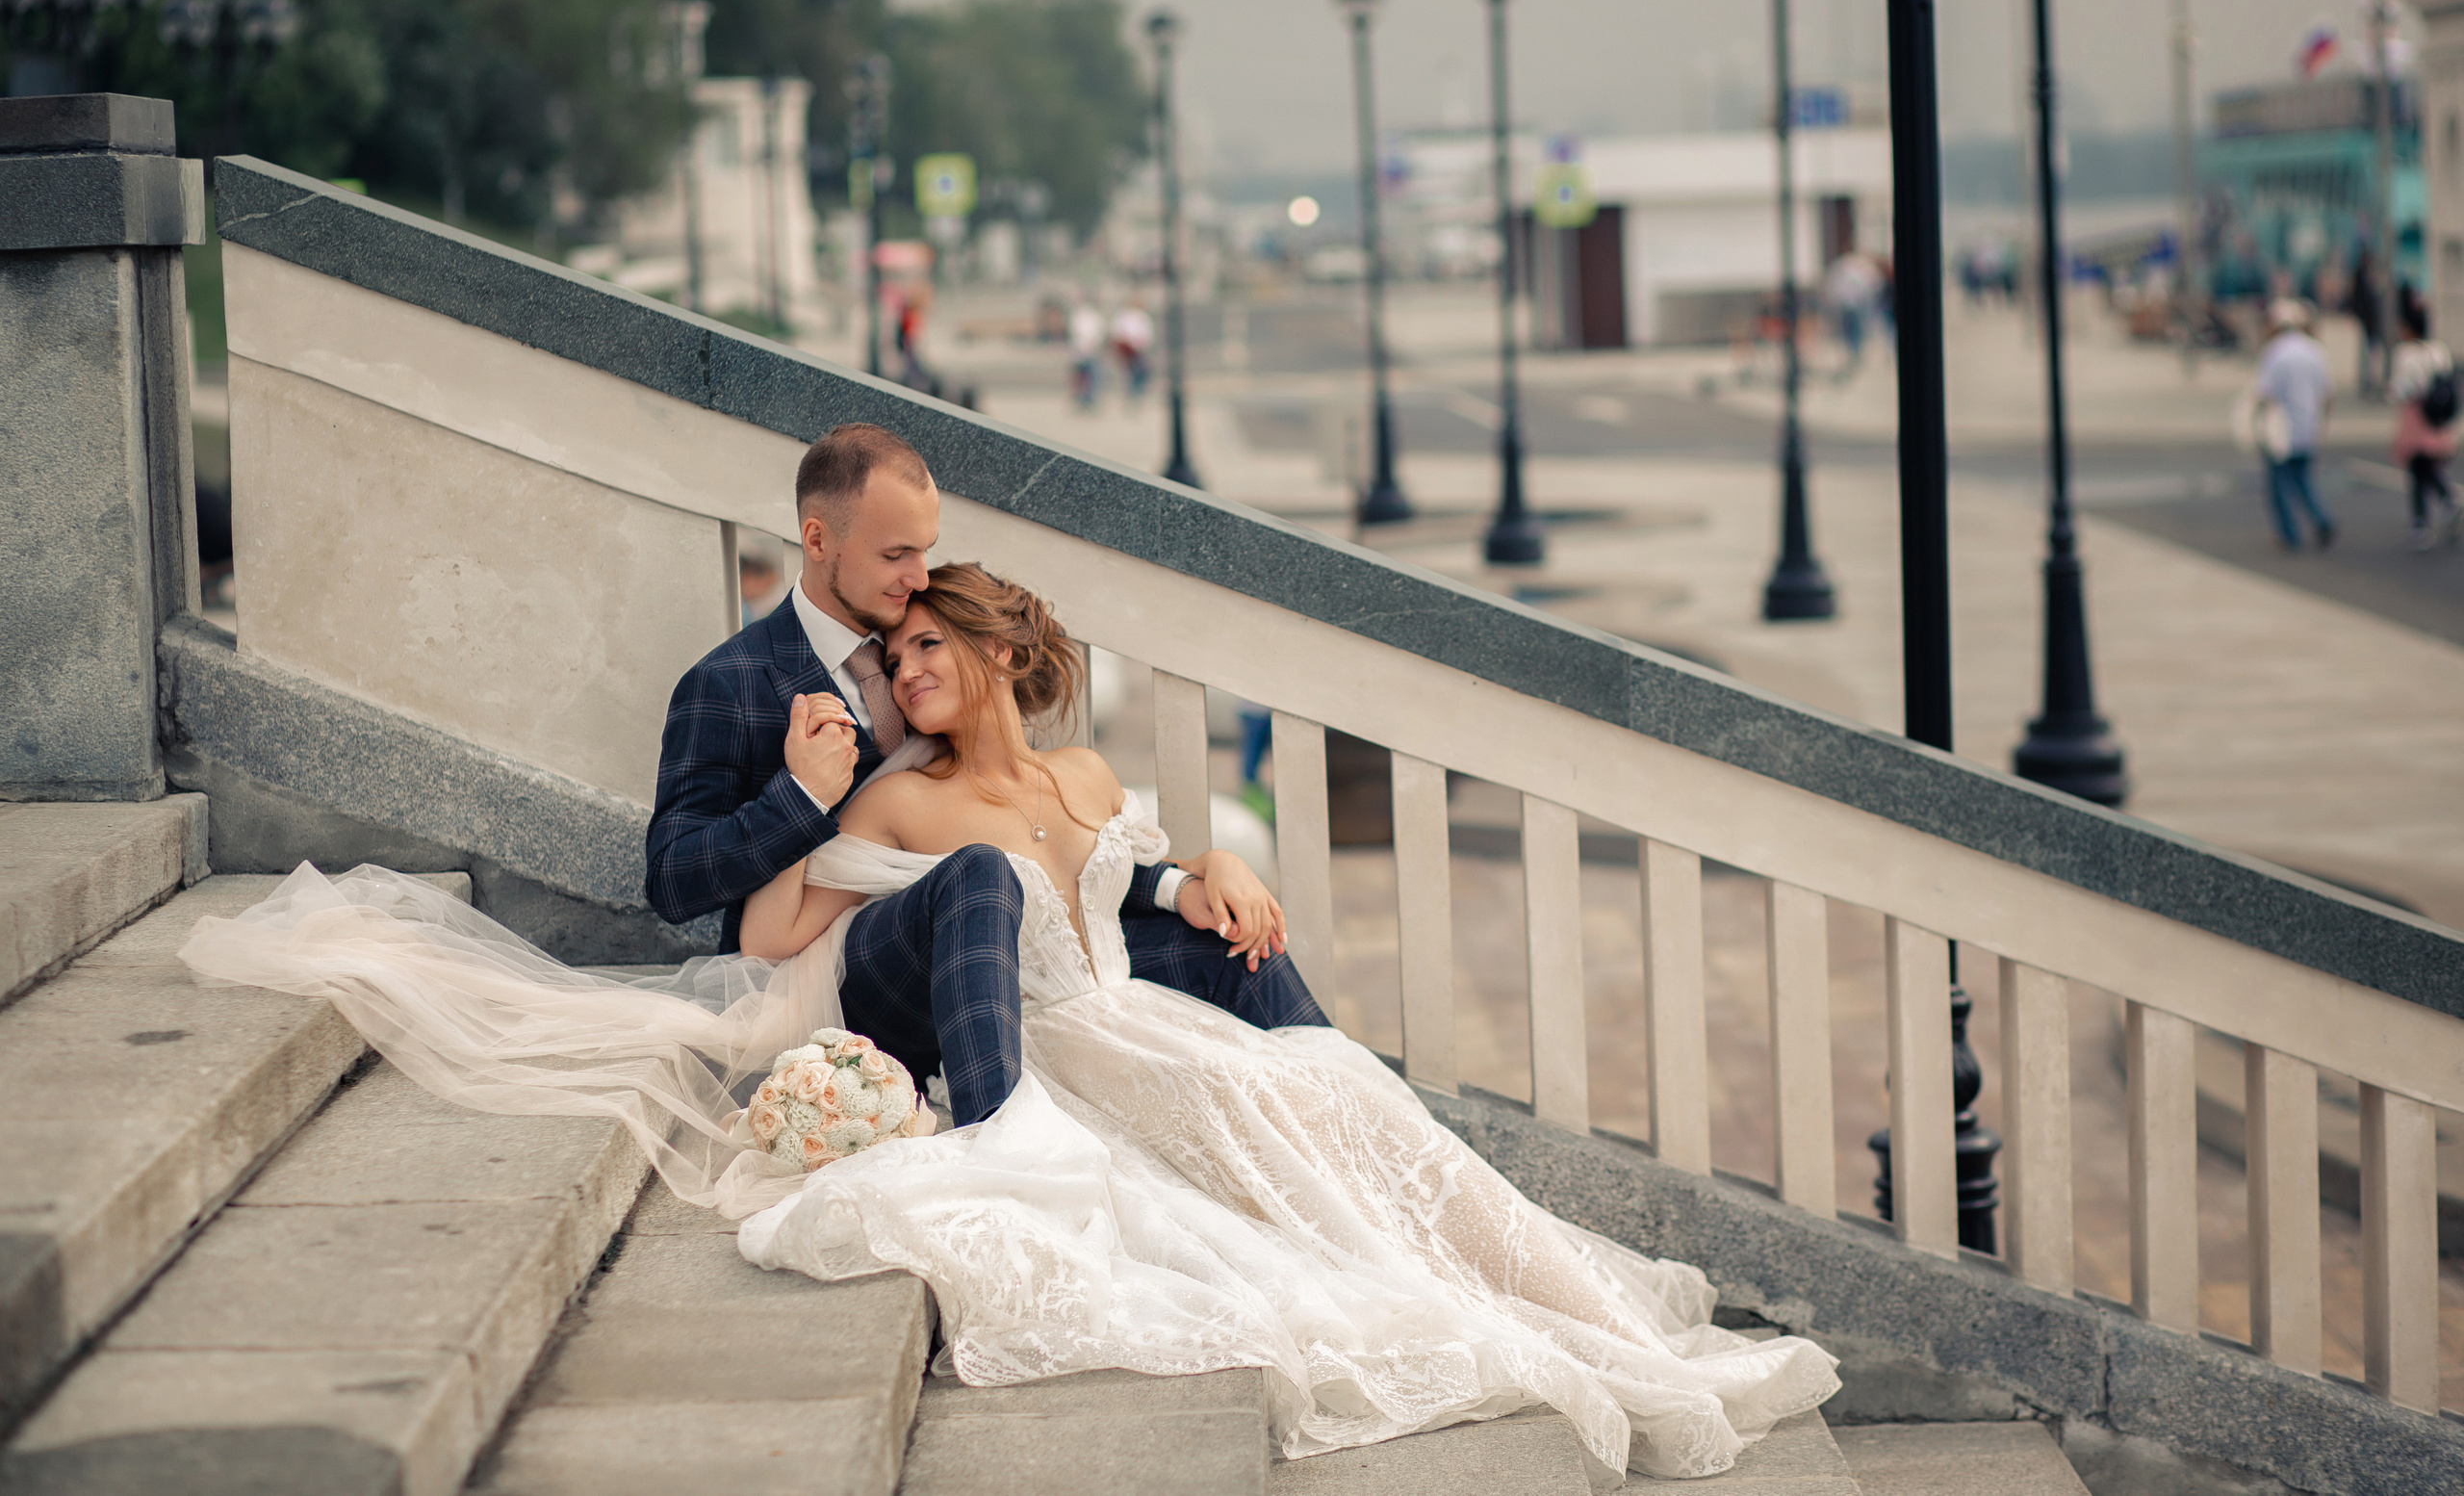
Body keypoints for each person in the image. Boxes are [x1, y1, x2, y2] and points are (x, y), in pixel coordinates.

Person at [179, 561, 1839, 1483]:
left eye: (925, 650)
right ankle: (1011, 1140)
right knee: (1260, 1123)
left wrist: (1208, 870)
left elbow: (1122, 879)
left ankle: (1587, 1308)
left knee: (1340, 1099)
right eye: (893, 653)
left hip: (1142, 1015)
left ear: (989, 656)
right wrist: (806, 793)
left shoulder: (1087, 774)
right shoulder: (897, 799)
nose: (903, 673)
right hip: (1059, 1048)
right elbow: (763, 930)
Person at [640, 423, 1324, 1126]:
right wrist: (801, 795)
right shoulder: (732, 683)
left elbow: (1062, 862)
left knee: (1229, 942)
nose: (918, 576)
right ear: (818, 540)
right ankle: (995, 1139)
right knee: (981, 872)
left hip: (998, 954)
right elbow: (672, 880)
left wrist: (1198, 873)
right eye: (896, 554)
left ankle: (1340, 1094)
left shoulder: (926, 640)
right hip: (858, 976)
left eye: (925, 551)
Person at [2240, 297, 2336, 552]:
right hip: (2309, 425)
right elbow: (2327, 394)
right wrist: (2323, 424)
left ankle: (2289, 534)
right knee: (2303, 479)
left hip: (2281, 430)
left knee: (2279, 484)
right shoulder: (2315, 350)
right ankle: (2321, 518)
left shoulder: (2274, 352)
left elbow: (2265, 393)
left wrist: (2254, 423)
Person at [2390, 298, 2458, 550]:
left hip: (2416, 414)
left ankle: (2423, 522)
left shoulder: (2405, 353)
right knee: (2428, 465)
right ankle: (2445, 503)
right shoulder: (2438, 350)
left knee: (2418, 468)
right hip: (2436, 415)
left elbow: (2402, 388)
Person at [1822, 250, 1882, 380]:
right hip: (1849, 306)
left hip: (1853, 306)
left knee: (1854, 331)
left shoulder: (1854, 267)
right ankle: (1853, 353)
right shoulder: (1849, 267)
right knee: (1851, 332)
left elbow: (1871, 285)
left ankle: (1855, 353)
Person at [1110, 298, 1154, 402]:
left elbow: (1146, 334)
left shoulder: (1142, 317)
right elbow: (1118, 332)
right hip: (1127, 349)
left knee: (1141, 371)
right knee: (1131, 371)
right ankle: (1132, 394)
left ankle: (1135, 392)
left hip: (1138, 349)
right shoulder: (1123, 316)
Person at [1066, 296, 1105, 411]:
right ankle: (1080, 399)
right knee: (1080, 377)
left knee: (1091, 377)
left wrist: (1093, 344)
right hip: (1080, 351)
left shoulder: (1094, 316)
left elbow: (1099, 332)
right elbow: (1075, 333)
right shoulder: (1078, 316)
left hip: (1091, 350)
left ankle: (1088, 399)